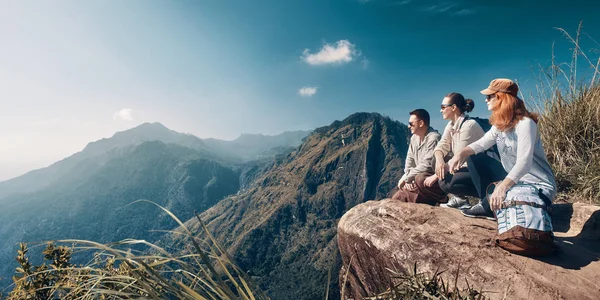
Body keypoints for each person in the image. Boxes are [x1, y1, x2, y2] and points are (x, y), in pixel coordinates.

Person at [448, 78, 557, 219]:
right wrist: (461, 153)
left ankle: (490, 206)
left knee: (494, 202)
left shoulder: (526, 124)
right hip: (516, 182)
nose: (486, 100)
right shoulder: (499, 126)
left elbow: (524, 163)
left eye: (489, 97)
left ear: (501, 98)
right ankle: (487, 204)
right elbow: (481, 144)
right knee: (474, 156)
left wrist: (503, 186)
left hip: (537, 185)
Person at [421, 93, 486, 209]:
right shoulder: (451, 125)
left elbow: (459, 159)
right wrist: (440, 160)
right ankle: (461, 200)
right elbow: (441, 147)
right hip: (465, 167)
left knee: (445, 182)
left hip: (480, 171)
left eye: (443, 107)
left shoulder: (469, 126)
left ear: (454, 107)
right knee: (434, 161)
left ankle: (485, 196)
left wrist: (436, 176)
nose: (440, 111)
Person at [392, 109, 442, 205]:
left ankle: (440, 199)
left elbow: (427, 165)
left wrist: (408, 178)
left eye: (411, 124)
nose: (408, 126)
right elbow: (409, 160)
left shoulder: (434, 138)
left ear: (421, 123)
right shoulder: (414, 138)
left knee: (420, 178)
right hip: (415, 179)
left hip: (431, 179)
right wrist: (408, 179)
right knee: (396, 198)